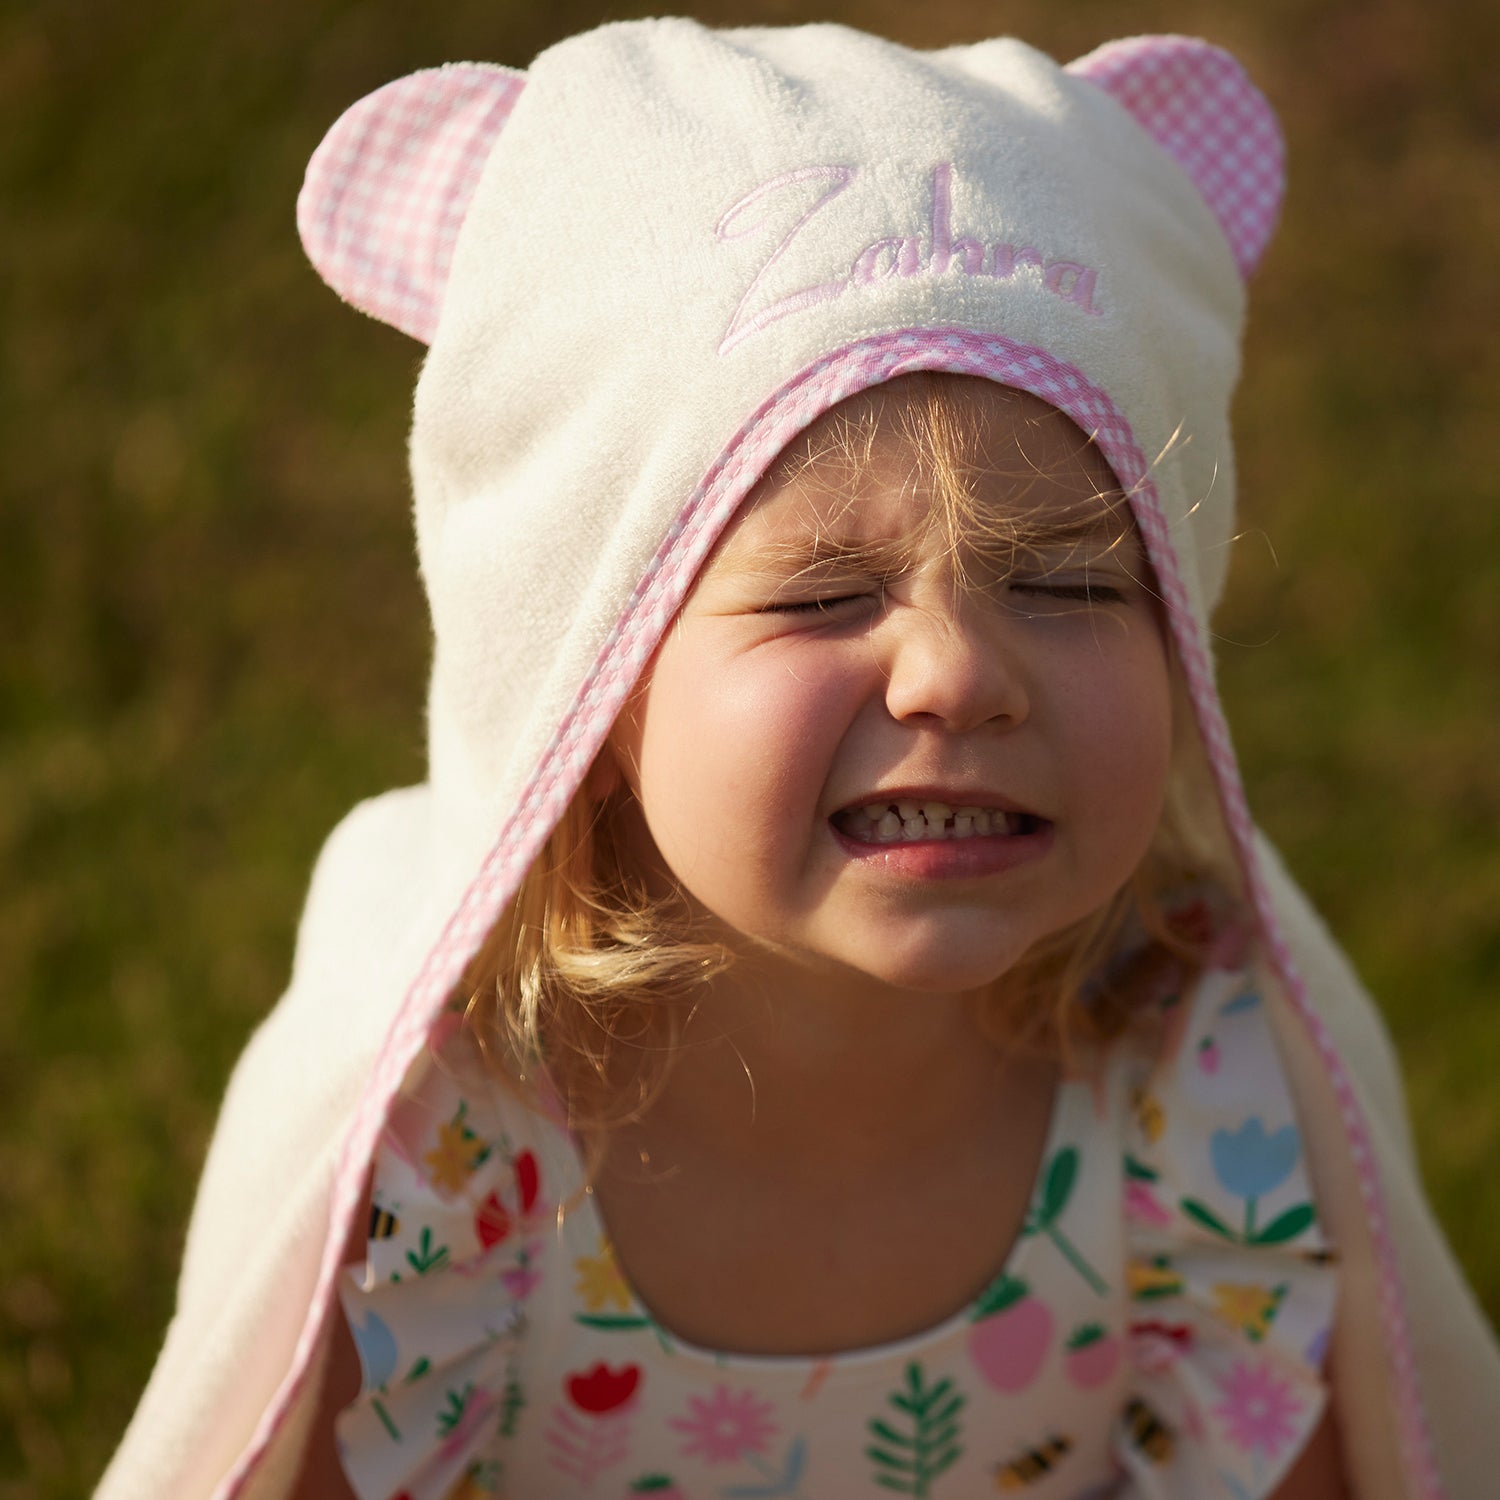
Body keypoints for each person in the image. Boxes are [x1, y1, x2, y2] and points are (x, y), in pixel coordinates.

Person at [95, 19, 1500, 1500]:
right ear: (589, 666)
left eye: (1075, 583)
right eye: (822, 595)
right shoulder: (464, 1120)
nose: (959, 672)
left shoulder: (1188, 1058)